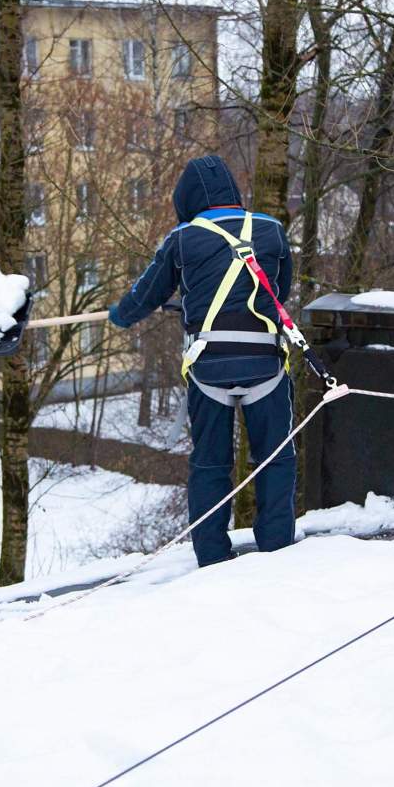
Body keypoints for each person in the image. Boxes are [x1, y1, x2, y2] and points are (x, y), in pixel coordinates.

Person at [108, 154, 295, 567]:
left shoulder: (182, 238)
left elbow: (146, 296)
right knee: (276, 457)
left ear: (186, 200)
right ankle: (278, 547)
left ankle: (211, 555)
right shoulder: (272, 231)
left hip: (209, 369)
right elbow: (278, 293)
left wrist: (118, 315)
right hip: (265, 365)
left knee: (210, 463)